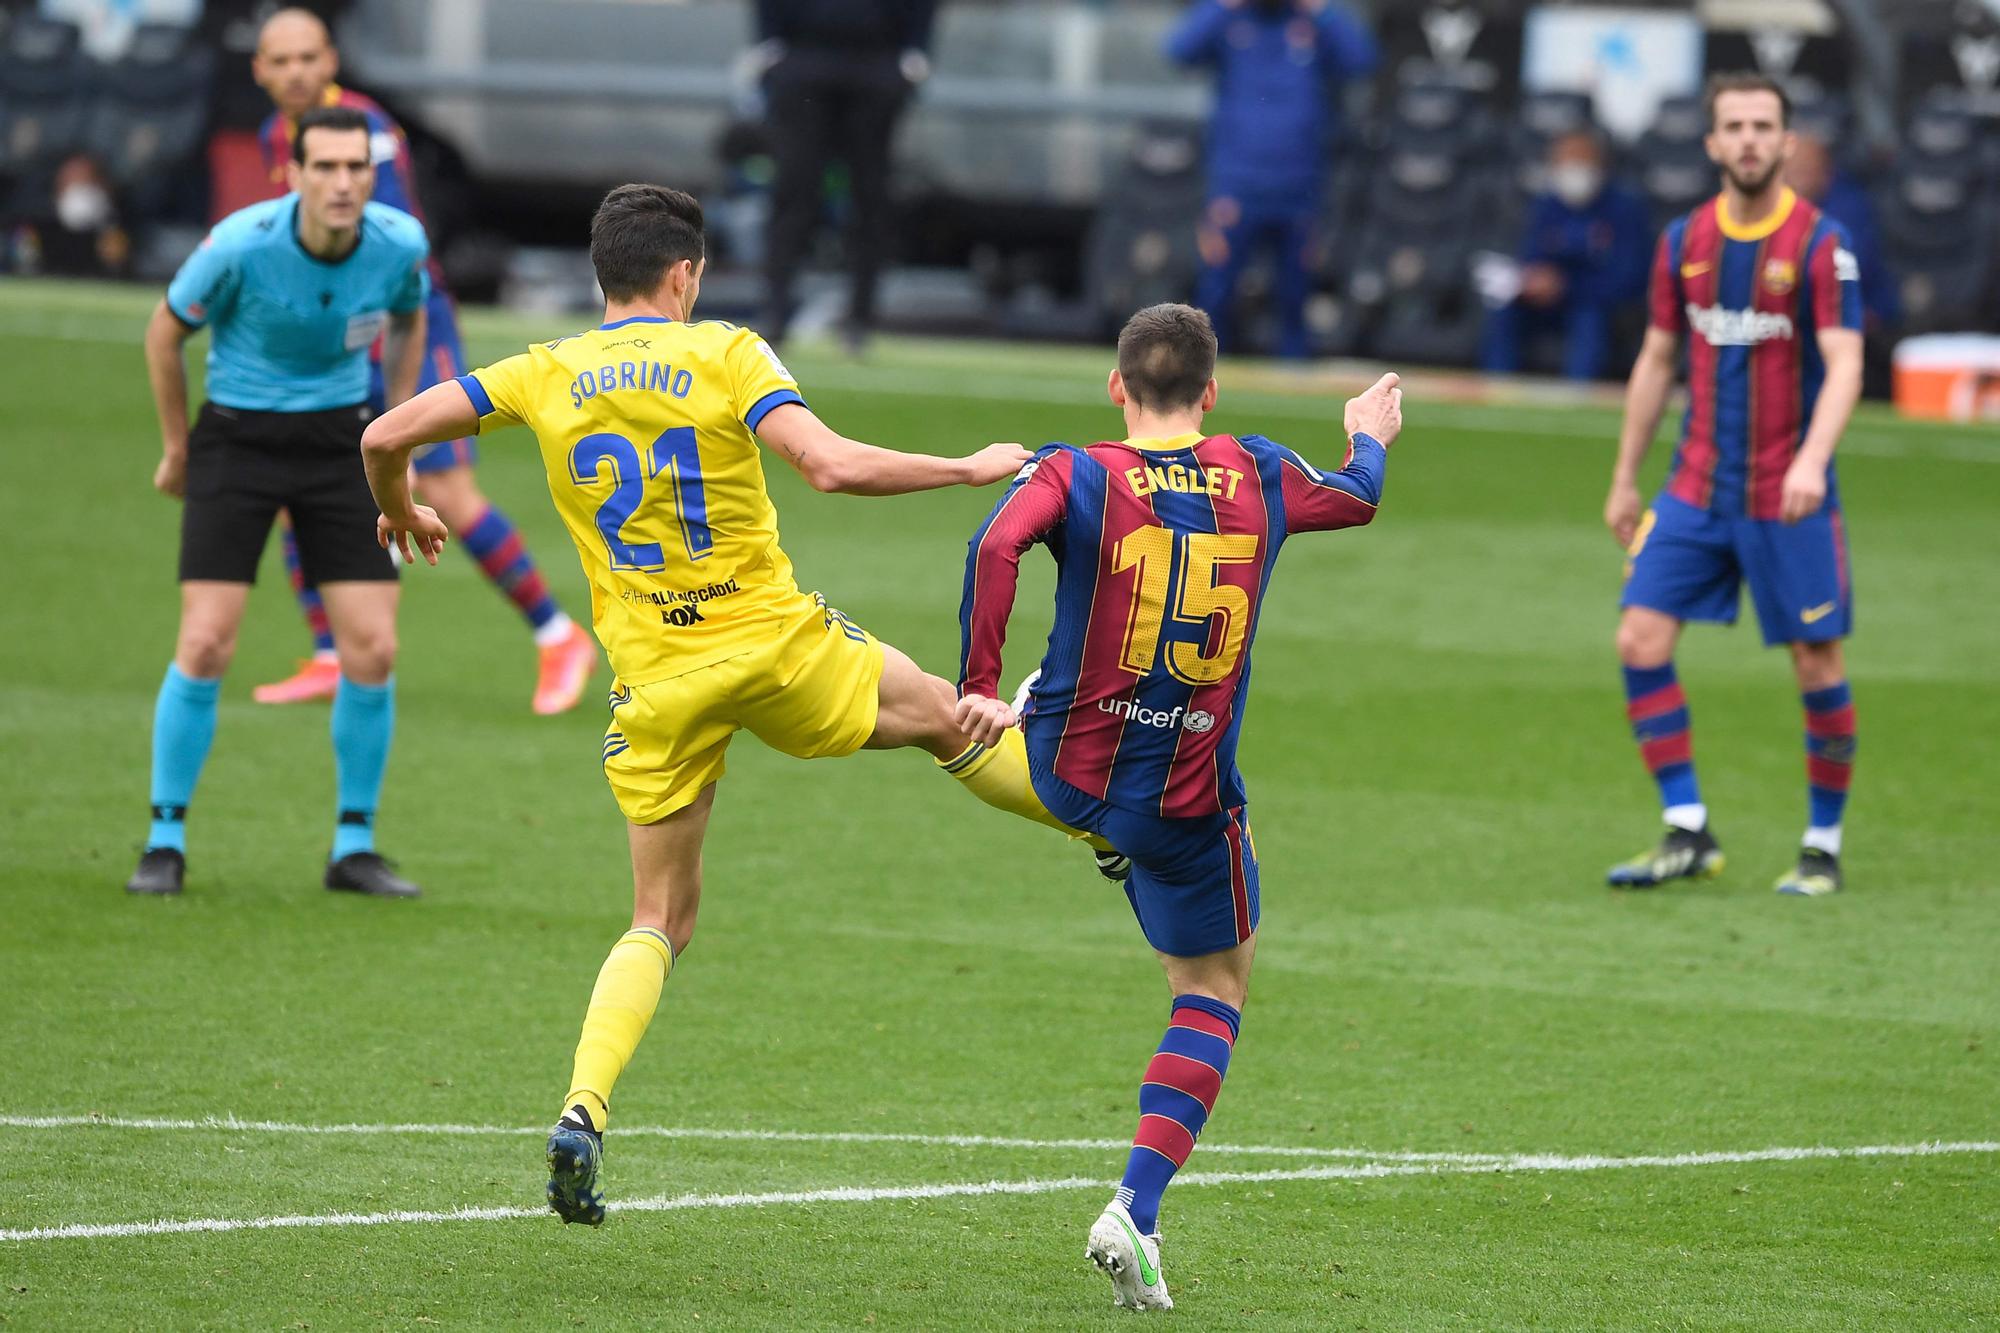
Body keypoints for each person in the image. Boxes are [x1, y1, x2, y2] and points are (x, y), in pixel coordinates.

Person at [361, 183, 1114, 1225]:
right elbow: (831, 467)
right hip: (772, 647)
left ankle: (582, 1108)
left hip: (658, 682)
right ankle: (1107, 826)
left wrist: (400, 509)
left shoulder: (543, 371)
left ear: (602, 276)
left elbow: (384, 433)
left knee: (659, 917)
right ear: (686, 274)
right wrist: (967, 465)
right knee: (950, 717)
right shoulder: (725, 351)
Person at [954, 304, 1403, 1310]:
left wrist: (977, 680)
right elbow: (1356, 498)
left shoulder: (1075, 470)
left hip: (1064, 766)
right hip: (1187, 797)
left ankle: (1019, 734)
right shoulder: (1258, 468)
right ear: (1209, 393)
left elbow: (993, 550)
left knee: (1039, 704)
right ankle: (1135, 1209)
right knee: (1211, 988)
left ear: (1116, 387)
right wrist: (1367, 433)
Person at [247, 7, 596, 713]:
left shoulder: (365, 132)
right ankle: (330, 653)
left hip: (405, 321)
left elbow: (393, 243)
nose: (295, 73)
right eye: (279, 61)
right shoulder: (272, 137)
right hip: (331, 328)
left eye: (307, 57)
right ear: (259, 70)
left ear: (331, 60)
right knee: (292, 489)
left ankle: (558, 634)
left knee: (452, 495)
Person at [127, 106, 430, 900]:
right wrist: (178, 448)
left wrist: (396, 430)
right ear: (292, 175)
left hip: (342, 445)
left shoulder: (400, 243)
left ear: (373, 173)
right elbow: (165, 334)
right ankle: (164, 838)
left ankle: (353, 848)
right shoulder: (239, 245)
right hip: (238, 441)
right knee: (206, 644)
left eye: (355, 167)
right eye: (324, 167)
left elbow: (409, 314)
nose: (341, 183)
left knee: (373, 649)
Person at [1603, 73, 1864, 898]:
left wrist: (1813, 459)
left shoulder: (1822, 245)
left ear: (1787, 143)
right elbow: (1656, 358)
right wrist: (1623, 477)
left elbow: (1848, 359)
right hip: (1695, 487)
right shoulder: (1683, 241)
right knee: (1638, 639)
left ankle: (1822, 843)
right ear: (1712, 143)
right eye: (1734, 126)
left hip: (1787, 493)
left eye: (1764, 125)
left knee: (1817, 663)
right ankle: (1687, 829)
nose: (1749, 139)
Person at [1166, 0, 1378, 359]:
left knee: (1295, 295)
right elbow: (1179, 50)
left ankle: (1294, 376)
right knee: (1215, 295)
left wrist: (1321, 9)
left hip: (1300, 186)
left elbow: (1362, 61)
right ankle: (1203, 378)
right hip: (1236, 186)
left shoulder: (1312, 23)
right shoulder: (1231, 21)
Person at [756, 0, 939, 351]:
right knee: (794, 192)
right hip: (804, 60)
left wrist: (915, 51)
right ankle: (775, 313)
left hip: (876, 64)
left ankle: (860, 320)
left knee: (870, 198)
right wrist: (772, 44)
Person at [1479, 130, 1652, 381]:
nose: (1573, 169)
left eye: (1581, 160)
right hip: (1547, 305)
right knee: (1505, 313)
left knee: (1589, 318)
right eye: (1565, 161)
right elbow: (1531, 256)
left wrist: (1568, 286)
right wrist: (1533, 281)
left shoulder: (1626, 207)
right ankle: (1495, 386)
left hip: (1599, 305)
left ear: (1600, 164)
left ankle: (1578, 394)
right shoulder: (1546, 205)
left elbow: (1630, 276)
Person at [1783, 131, 1900, 333]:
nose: (1799, 180)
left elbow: (1851, 268)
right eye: (1792, 171)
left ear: (1825, 173)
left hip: (1857, 311)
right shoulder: (1764, 208)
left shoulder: (1850, 207)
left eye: (1806, 170)